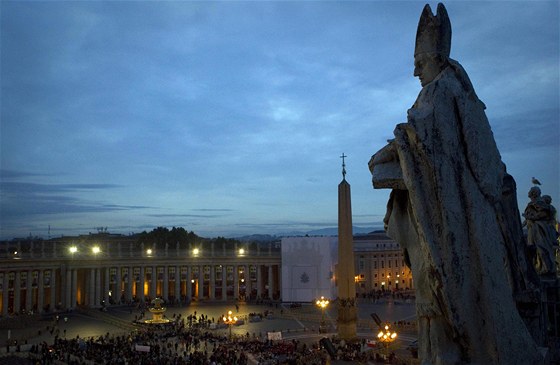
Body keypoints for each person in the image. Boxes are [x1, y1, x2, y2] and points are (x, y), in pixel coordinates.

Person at [369, 3, 541, 364]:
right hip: (438, 214)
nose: (415, 68)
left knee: (447, 297)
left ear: (439, 58)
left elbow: (449, 150)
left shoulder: (448, 92)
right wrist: (397, 147)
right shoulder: (433, 92)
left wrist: (398, 147)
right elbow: (417, 137)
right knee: (437, 300)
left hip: (454, 220)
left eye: (421, 60)